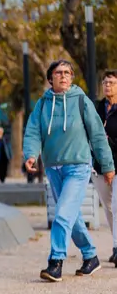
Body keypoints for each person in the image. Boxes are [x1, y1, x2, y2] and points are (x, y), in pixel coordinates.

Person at [23, 59, 115, 282]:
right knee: (71, 216)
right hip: (53, 167)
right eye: (58, 72)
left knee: (62, 213)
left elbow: (97, 136)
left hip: (78, 166)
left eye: (67, 73)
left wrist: (108, 165)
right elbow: (33, 131)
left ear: (72, 77)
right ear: (50, 78)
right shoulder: (43, 104)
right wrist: (31, 155)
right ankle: (90, 255)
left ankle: (56, 261)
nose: (63, 76)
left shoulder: (81, 100)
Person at [91, 70, 117, 265]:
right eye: (105, 82)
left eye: (112, 83)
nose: (107, 86)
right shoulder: (96, 108)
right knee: (108, 208)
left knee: (116, 207)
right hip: (99, 165)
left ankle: (116, 248)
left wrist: (109, 140)